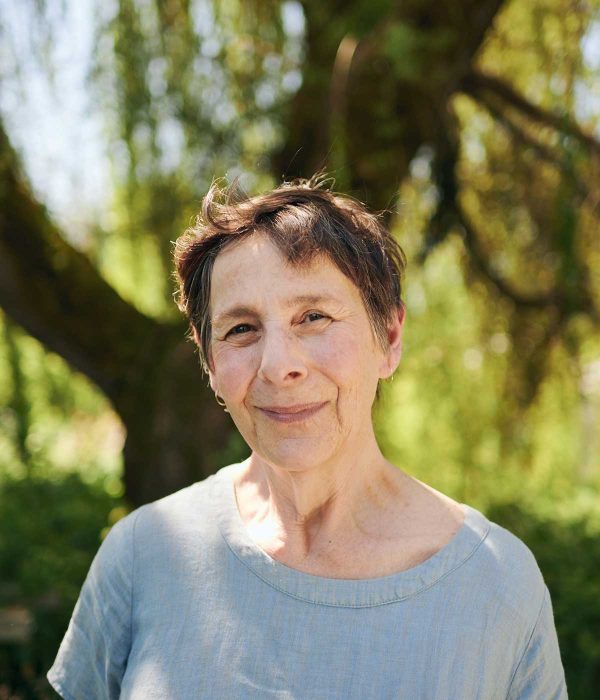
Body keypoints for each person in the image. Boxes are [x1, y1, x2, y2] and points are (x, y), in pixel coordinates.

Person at [48, 177, 567, 699]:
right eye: (241, 330)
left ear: (388, 338)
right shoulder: (141, 555)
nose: (278, 367)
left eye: (313, 317)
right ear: (210, 366)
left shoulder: (498, 587)